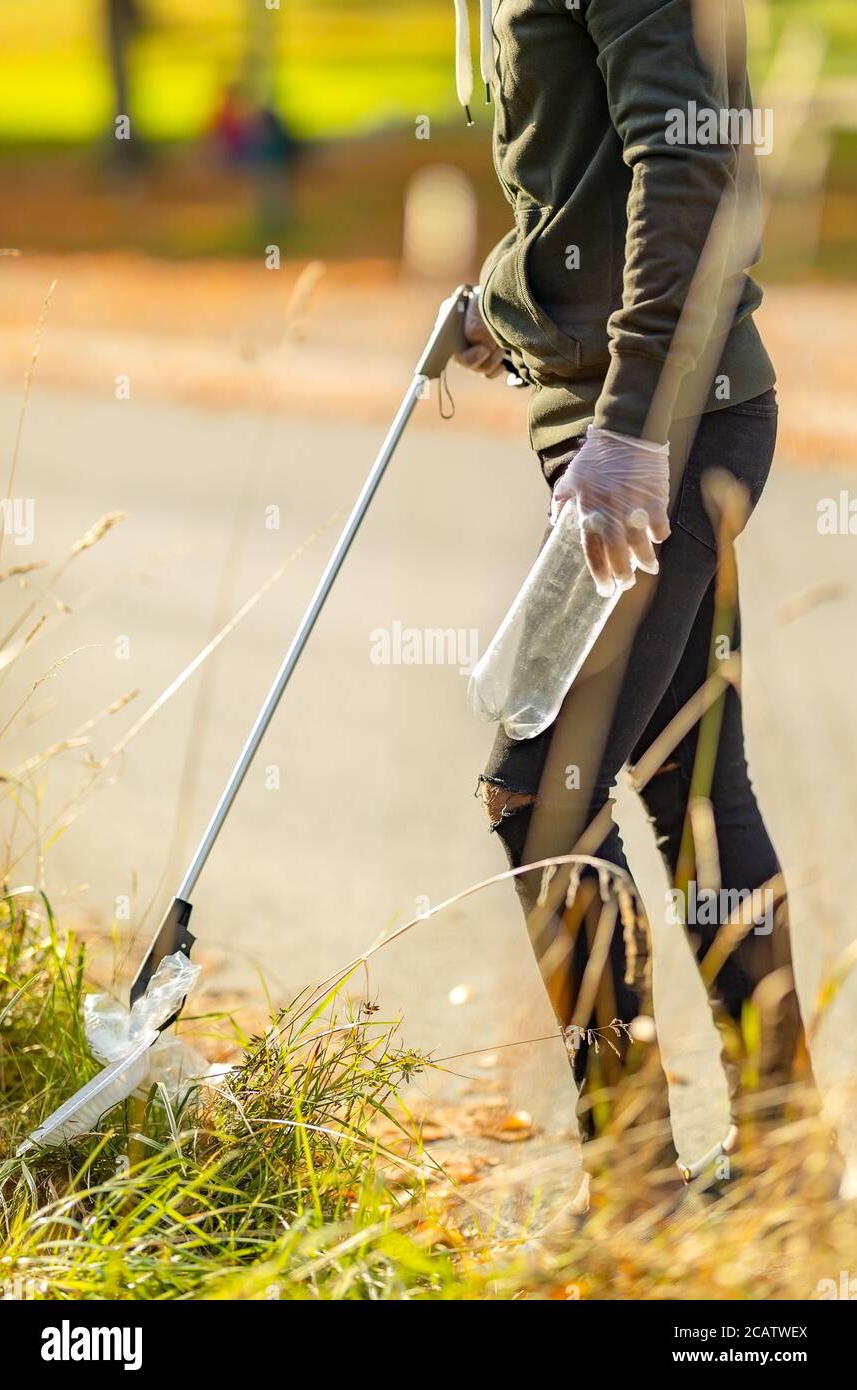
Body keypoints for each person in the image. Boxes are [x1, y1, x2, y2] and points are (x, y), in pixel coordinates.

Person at [451, 0, 837, 1205]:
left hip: (668, 421)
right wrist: (512, 303)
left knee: (535, 794)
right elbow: (587, 172)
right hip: (619, 417)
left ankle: (636, 1194)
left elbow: (688, 154)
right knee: (686, 785)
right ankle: (783, 1171)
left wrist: (629, 418)